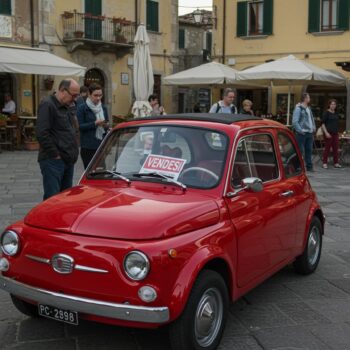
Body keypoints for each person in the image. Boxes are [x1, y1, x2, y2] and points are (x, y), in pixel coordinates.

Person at [36, 79, 80, 200]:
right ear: (62, 91)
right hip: (53, 161)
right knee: (53, 199)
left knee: (65, 199)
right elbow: (42, 133)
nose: (75, 99)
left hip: (67, 159)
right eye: (74, 95)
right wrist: (55, 154)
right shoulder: (48, 104)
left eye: (77, 95)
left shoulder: (67, 106)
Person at [77, 83, 109, 169]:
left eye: (100, 95)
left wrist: (106, 126)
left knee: (101, 172)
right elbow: (80, 127)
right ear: (89, 94)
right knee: (90, 173)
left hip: (101, 146)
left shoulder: (103, 108)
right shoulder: (82, 108)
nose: (98, 98)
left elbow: (106, 123)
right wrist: (94, 123)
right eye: (95, 95)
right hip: (88, 147)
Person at [292, 93, 316, 172]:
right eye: (308, 97)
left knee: (309, 150)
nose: (309, 98)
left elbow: (311, 119)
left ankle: (309, 166)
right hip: (301, 134)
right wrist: (300, 131)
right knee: (300, 151)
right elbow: (295, 122)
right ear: (305, 98)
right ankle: (297, 167)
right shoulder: (299, 108)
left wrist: (313, 127)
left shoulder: (308, 108)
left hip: (309, 133)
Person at [321, 99, 342, 169]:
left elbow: (336, 123)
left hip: (335, 133)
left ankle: (336, 163)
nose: (333, 105)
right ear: (329, 105)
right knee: (327, 148)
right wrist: (326, 132)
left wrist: (338, 132)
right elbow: (322, 124)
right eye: (332, 104)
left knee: (336, 149)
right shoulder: (326, 113)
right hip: (328, 133)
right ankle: (324, 163)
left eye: (334, 104)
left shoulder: (336, 113)